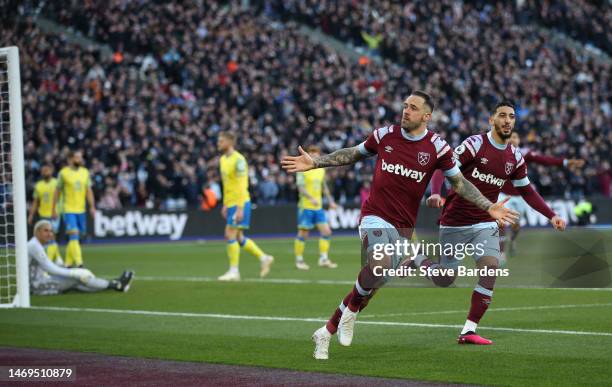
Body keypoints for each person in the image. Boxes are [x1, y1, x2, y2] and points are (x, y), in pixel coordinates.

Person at [281, 91, 518, 360]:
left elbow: (459, 183)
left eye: (413, 108)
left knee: (373, 285)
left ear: (427, 116)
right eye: (405, 106)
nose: (406, 111)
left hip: (403, 227)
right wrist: (317, 162)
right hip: (374, 215)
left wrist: (488, 206)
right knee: (378, 265)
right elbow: (353, 154)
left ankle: (326, 330)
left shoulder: (438, 147)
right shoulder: (385, 135)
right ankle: (351, 312)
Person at [424, 101, 566, 345]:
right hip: (455, 220)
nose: (507, 120)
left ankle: (468, 330)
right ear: (491, 120)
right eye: (502, 115)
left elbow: (528, 191)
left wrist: (551, 214)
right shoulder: (474, 144)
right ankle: (418, 260)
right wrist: (436, 192)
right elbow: (444, 168)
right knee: (445, 278)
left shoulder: (515, 157)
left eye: (511, 116)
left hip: (485, 220)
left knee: (490, 270)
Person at [497, 132, 584, 254]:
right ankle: (501, 252)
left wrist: (565, 162)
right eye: (510, 137)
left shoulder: (524, 154)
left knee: (515, 226)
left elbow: (545, 160)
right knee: (500, 223)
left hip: (520, 195)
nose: (512, 139)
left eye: (515, 137)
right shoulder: (498, 153)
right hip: (503, 195)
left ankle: (512, 239)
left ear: (519, 140)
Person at [217, 132, 274, 281]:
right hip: (230, 203)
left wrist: (240, 207)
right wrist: (225, 203)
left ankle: (234, 271)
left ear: (230, 142)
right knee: (238, 236)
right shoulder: (223, 159)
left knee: (230, 234)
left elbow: (243, 184)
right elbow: (227, 184)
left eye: (221, 140)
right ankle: (264, 258)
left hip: (239, 202)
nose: (218, 143)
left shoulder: (239, 160)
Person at [28, 220, 133, 295]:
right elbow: (50, 269)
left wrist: (71, 271)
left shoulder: (37, 244)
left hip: (39, 282)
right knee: (76, 279)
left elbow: (49, 267)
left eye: (51, 231)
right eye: (46, 231)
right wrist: (75, 272)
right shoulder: (34, 246)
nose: (50, 234)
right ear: (37, 232)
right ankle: (115, 284)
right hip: (36, 286)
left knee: (77, 282)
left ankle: (114, 284)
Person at [294, 145, 338, 270]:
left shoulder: (321, 169)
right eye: (312, 152)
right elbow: (300, 188)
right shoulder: (302, 169)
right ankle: (299, 260)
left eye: (316, 153)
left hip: (317, 207)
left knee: (327, 232)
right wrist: (310, 198)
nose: (314, 155)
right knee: (303, 234)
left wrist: (331, 201)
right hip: (306, 206)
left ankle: (323, 259)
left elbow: (324, 187)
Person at [52, 150, 96, 268]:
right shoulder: (63, 173)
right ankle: (79, 263)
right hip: (68, 209)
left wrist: (92, 207)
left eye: (80, 157)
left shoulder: (85, 172)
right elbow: (57, 192)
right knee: (74, 235)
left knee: (77, 238)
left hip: (81, 210)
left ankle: (68, 263)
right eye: (77, 157)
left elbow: (89, 191)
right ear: (70, 159)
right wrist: (54, 209)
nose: (80, 160)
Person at [28, 165, 62, 263]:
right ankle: (56, 258)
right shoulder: (39, 185)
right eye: (43, 171)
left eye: (47, 170)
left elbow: (61, 198)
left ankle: (53, 258)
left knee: (52, 236)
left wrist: (57, 210)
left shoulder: (56, 183)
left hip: (54, 214)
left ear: (51, 171)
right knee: (46, 238)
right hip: (43, 214)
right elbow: (36, 201)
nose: (45, 172)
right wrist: (31, 214)